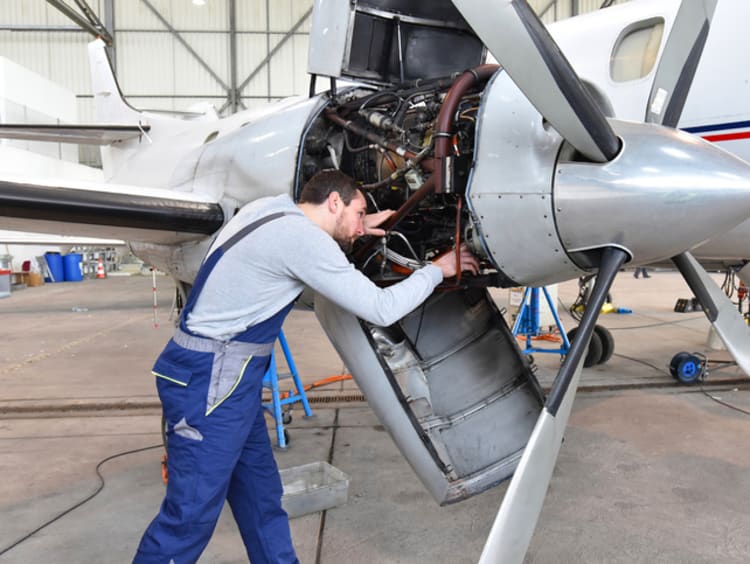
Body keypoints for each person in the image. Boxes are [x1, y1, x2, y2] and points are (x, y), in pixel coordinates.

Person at [134, 169, 479, 563]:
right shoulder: (305, 241)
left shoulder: (271, 208)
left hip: (229, 381)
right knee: (190, 517)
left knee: (261, 500)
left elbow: (299, 244)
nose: (360, 224)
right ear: (335, 202)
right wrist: (439, 268)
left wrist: (358, 225)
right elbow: (381, 309)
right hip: (209, 382)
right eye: (359, 211)